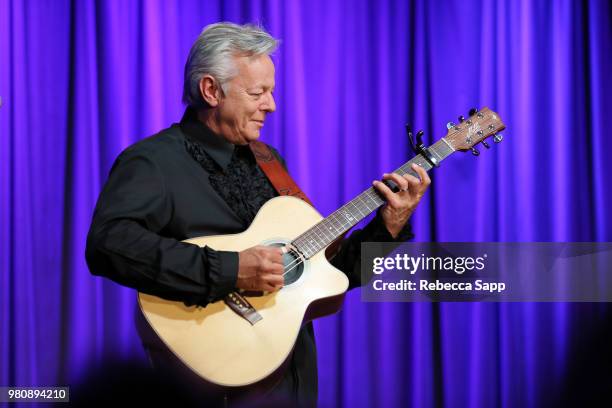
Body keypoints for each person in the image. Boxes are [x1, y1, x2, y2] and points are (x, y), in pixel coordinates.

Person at [85, 22, 430, 407]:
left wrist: (389, 226)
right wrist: (232, 270)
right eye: (257, 92)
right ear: (211, 90)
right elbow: (108, 245)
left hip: (290, 384)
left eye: (271, 91)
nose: (271, 105)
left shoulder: (269, 162)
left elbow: (329, 276)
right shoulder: (153, 161)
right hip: (208, 387)